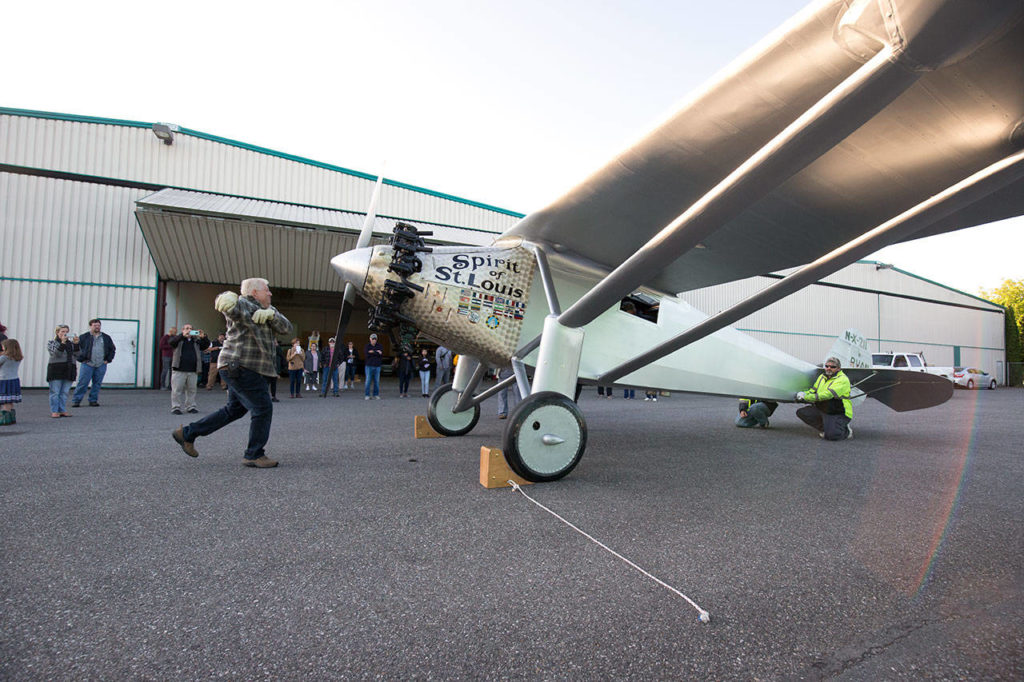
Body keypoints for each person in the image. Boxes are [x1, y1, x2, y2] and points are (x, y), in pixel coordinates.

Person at [172, 277, 293, 468]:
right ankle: (254, 454)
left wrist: (272, 315)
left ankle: (187, 433)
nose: (270, 293)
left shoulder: (270, 310)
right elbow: (231, 308)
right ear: (254, 292)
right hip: (241, 365)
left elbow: (287, 328)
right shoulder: (243, 304)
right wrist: (224, 297)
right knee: (263, 408)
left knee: (233, 410)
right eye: (266, 290)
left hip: (243, 367)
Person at [795, 356, 853, 440]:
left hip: (838, 411)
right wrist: (803, 393)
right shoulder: (822, 377)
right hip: (823, 409)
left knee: (832, 437)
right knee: (802, 412)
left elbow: (827, 395)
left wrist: (806, 397)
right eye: (827, 366)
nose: (829, 368)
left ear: (838, 369)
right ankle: (827, 428)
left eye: (833, 367)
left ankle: (846, 431)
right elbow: (813, 390)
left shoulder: (843, 379)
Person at [72, 318, 116, 407]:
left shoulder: (106, 337)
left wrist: (108, 359)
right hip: (87, 364)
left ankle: (93, 400)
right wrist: (81, 359)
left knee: (97, 383)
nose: (97, 327)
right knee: (83, 383)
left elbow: (112, 349)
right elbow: (76, 349)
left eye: (98, 325)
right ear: (90, 326)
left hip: (101, 364)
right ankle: (76, 400)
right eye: (95, 325)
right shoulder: (84, 337)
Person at [169, 324, 210, 414]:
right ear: (183, 330)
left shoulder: (195, 341)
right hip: (179, 369)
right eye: (187, 329)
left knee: (191, 390)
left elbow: (205, 346)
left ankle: (191, 406)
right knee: (177, 390)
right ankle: (176, 407)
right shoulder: (178, 339)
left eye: (191, 329)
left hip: (192, 370)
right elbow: (171, 342)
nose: (189, 330)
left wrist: (203, 337)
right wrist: (182, 335)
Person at [47, 325, 79, 418]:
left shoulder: (71, 344)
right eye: (62, 331)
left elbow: (78, 355)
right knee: (55, 392)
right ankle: (54, 410)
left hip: (69, 369)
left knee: (64, 392)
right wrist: (62, 343)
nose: (64, 334)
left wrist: (76, 344)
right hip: (56, 369)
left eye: (66, 332)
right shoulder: (52, 343)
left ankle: (62, 409)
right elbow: (56, 355)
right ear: (57, 333)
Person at [0, 338, 24, 426]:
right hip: (14, 380)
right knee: (9, 400)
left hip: (3, 380)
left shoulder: (4, 357)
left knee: (4, 400)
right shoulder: (17, 357)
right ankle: (11, 417)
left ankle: (4, 418)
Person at [364, 333, 384, 400]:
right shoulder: (367, 346)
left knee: (377, 381)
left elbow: (381, 354)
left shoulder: (380, 345)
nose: (374, 340)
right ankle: (367, 395)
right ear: (370, 339)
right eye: (373, 339)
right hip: (369, 366)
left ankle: (376, 394)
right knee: (368, 381)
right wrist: (377, 352)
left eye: (375, 339)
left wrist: (372, 352)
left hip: (377, 366)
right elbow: (367, 354)